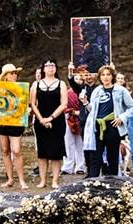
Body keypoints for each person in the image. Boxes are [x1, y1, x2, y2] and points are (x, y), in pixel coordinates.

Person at [83, 65, 133, 177]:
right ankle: (93, 184)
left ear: (112, 76)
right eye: (103, 75)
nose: (105, 77)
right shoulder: (97, 91)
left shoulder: (121, 90)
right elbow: (92, 110)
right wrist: (85, 103)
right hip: (97, 126)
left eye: (108, 74)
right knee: (95, 157)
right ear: (100, 77)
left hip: (113, 126)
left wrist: (121, 118)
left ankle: (113, 184)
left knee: (112, 157)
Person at [30, 59, 68, 189]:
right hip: (40, 120)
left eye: (53, 65)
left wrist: (50, 118)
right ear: (43, 69)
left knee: (56, 152)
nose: (50, 68)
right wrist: (41, 119)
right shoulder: (36, 84)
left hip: (57, 120)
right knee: (42, 152)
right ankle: (42, 180)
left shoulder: (61, 84)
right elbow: (33, 104)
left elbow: (64, 104)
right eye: (47, 65)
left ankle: (55, 180)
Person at [0, 63, 28, 189]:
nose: (14, 75)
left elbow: (23, 105)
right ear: (5, 76)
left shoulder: (21, 88)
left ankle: (21, 180)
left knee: (17, 150)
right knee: (5, 151)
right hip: (2, 123)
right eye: (12, 73)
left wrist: (26, 109)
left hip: (16, 123)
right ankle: (10, 179)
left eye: (15, 73)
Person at [67, 62, 99, 176]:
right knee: (86, 146)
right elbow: (72, 82)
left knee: (98, 146)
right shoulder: (81, 88)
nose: (89, 76)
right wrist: (71, 72)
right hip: (84, 121)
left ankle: (99, 170)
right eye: (86, 74)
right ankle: (90, 171)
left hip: (97, 120)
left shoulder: (99, 88)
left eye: (91, 74)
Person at [61, 80, 86, 175]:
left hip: (81, 118)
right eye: (76, 79)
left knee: (80, 143)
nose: (78, 81)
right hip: (68, 117)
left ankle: (80, 166)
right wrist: (70, 111)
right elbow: (62, 105)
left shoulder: (84, 91)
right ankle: (67, 167)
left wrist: (80, 113)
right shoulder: (67, 92)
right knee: (68, 143)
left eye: (80, 79)